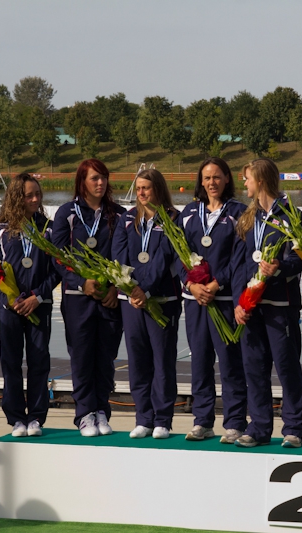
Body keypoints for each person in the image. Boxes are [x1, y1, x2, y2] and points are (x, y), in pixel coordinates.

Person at [232, 158, 302, 448]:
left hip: (280, 306)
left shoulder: (292, 216)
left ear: (261, 180)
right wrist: (238, 303)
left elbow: (301, 260)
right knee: (254, 369)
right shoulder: (247, 217)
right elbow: (238, 265)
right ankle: (259, 428)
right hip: (251, 308)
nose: (244, 183)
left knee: (287, 368)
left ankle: (293, 428)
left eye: (247, 178)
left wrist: (279, 268)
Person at [52, 159, 125, 437]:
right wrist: (82, 283)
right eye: (94, 178)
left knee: (106, 358)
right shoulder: (67, 213)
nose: (100, 183)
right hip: (77, 297)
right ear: (82, 181)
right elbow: (59, 256)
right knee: (82, 358)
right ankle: (84, 414)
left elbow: (123, 255)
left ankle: (102, 411)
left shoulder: (118, 214)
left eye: (104, 177)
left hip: (109, 298)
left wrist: (115, 288)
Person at [178, 157, 248, 443]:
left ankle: (235, 422)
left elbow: (239, 257)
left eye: (217, 177)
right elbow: (178, 254)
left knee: (230, 362)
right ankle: (202, 421)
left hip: (225, 297)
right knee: (200, 361)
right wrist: (191, 285)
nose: (212, 182)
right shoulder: (188, 213)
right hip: (195, 299)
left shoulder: (239, 212)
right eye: (207, 178)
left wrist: (217, 283)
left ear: (227, 178)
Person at [0, 173, 60, 437]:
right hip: (9, 308)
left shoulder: (49, 228)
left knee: (39, 361)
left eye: (38, 194)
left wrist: (37, 296)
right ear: (17, 198)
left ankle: (36, 417)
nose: (35, 199)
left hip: (39, 303)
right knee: (11, 362)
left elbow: (57, 269)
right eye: (29, 195)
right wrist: (8, 298)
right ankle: (17, 418)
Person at [112, 168, 182, 439]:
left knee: (163, 362)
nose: (141, 193)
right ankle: (143, 418)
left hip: (162, 299)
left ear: (158, 189)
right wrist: (131, 288)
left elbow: (165, 258)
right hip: (131, 301)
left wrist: (146, 289)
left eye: (146, 188)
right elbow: (119, 255)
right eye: (138, 188)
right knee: (138, 361)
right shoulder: (127, 218)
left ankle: (162, 419)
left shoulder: (173, 219)